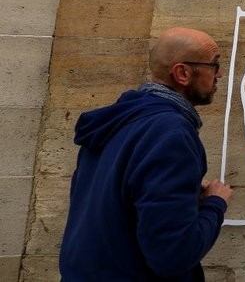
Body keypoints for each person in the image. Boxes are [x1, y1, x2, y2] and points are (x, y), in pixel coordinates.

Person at [60, 27, 234, 281]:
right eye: (214, 64)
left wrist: (181, 194)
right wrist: (215, 204)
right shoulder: (170, 133)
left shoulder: (119, 120)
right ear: (183, 73)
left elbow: (118, 200)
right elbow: (173, 255)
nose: (219, 74)